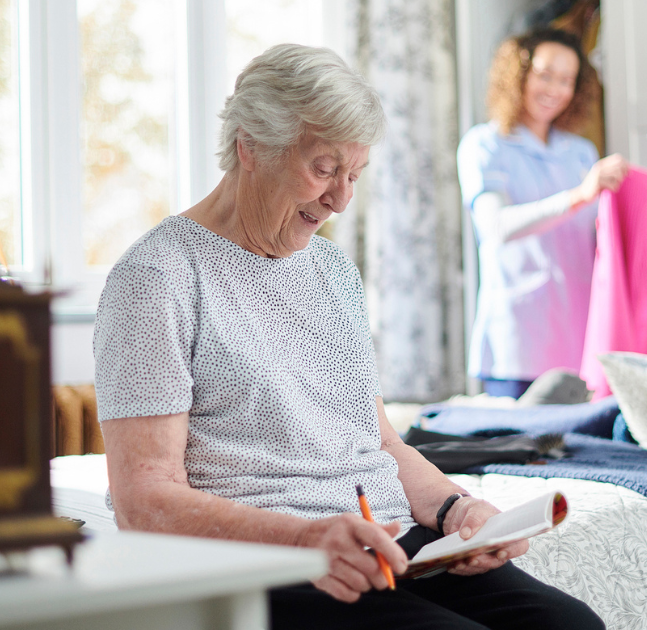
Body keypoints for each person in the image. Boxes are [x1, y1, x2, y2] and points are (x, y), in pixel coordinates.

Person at [93, 43, 604, 630]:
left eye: (354, 174)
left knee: (572, 626)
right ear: (250, 147)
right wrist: (311, 537)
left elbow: (378, 441)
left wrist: (459, 513)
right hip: (267, 557)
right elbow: (144, 502)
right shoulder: (155, 277)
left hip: (385, 543)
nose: (340, 199)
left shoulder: (332, 271)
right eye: (325, 168)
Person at [458, 28, 630, 399]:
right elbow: (496, 227)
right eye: (545, 75)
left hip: (581, 339)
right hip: (517, 341)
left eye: (567, 80)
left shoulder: (581, 153)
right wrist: (579, 194)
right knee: (518, 451)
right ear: (517, 75)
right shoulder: (484, 145)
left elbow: (606, 232)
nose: (555, 89)